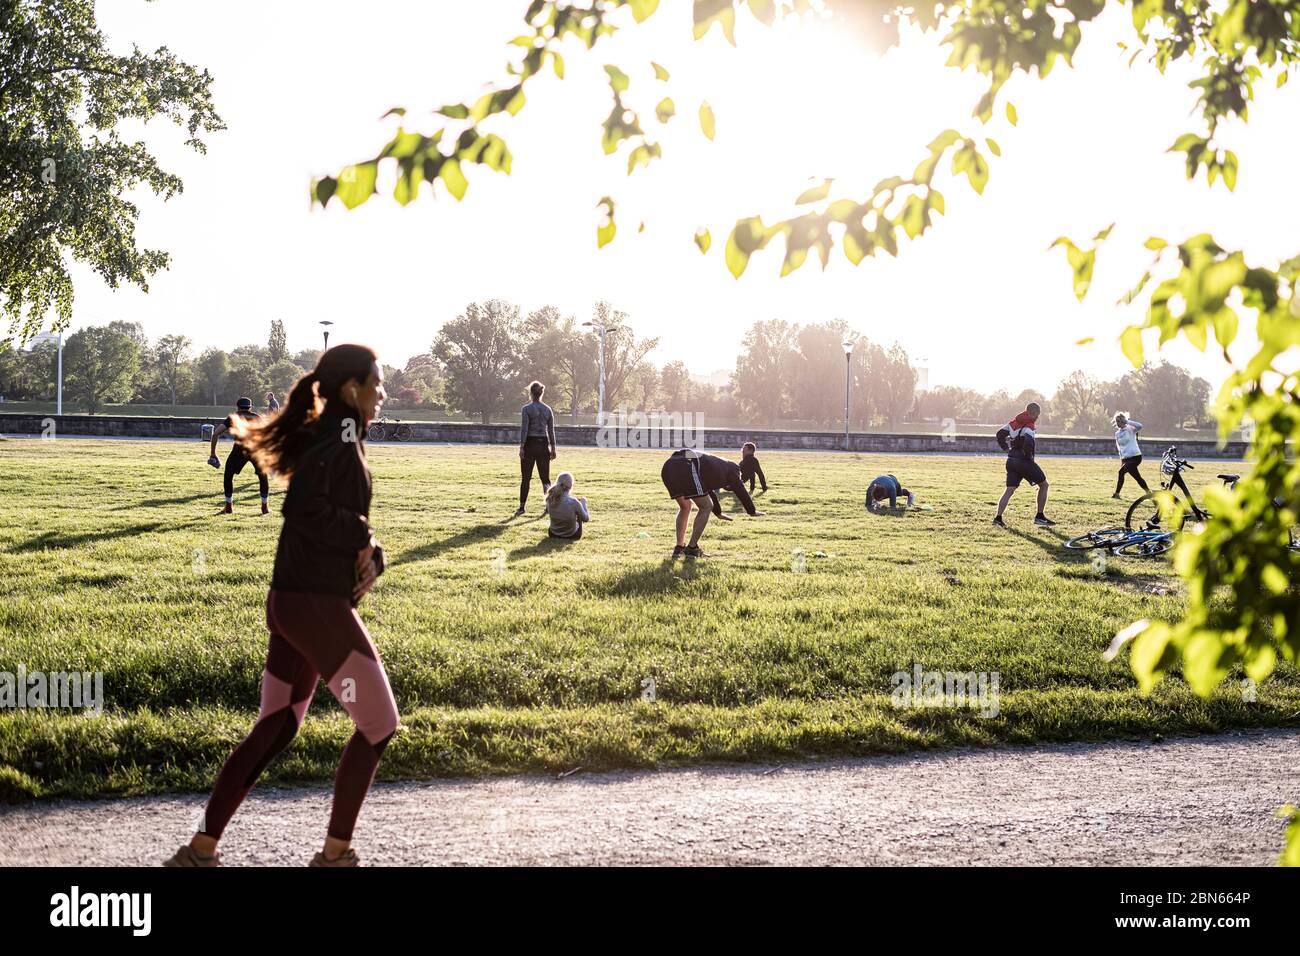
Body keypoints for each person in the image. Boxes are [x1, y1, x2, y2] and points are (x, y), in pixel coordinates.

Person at [165, 344, 398, 868]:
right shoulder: (339, 430)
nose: (383, 393)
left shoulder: (340, 429)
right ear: (350, 389)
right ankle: (335, 856)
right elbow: (305, 505)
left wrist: (368, 545)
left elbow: (325, 510)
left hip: (293, 603)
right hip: (314, 606)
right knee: (379, 725)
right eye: (376, 382)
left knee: (278, 725)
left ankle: (200, 850)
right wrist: (364, 537)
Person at [660, 448, 764, 557]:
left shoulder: (716, 466)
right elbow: (740, 488)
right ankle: (692, 548)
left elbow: (708, 491)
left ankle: (679, 547)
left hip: (668, 466)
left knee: (686, 506)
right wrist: (752, 511)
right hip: (686, 464)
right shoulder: (733, 469)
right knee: (706, 506)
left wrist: (718, 513)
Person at [993, 401, 1055, 527]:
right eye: (1037, 414)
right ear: (1033, 413)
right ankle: (1040, 516)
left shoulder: (1013, 422)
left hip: (1011, 460)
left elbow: (1000, 434)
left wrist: (1006, 448)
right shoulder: (1030, 425)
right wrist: (1029, 457)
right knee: (1044, 485)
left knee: (1009, 490)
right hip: (1023, 461)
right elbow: (1028, 442)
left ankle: (998, 518)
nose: (1038, 417)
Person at [208, 397, 270, 515]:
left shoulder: (233, 417)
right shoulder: (257, 417)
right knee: (263, 477)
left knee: (228, 475)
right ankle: (264, 507)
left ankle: (228, 506)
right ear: (250, 407)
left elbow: (216, 433)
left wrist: (213, 453)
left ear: (237, 407)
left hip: (239, 450)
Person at [516, 380, 556, 516]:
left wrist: (522, 447)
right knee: (545, 478)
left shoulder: (526, 409)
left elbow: (525, 429)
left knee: (526, 478)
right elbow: (551, 431)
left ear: (531, 393)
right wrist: (553, 448)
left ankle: (522, 507)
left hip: (530, 444)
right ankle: (548, 506)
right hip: (543, 444)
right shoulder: (547, 410)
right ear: (541, 393)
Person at [1111, 412, 1149, 499]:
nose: (1118, 423)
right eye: (1116, 421)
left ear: (1123, 421)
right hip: (1126, 459)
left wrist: (1127, 421)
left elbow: (1140, 426)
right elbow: (1119, 448)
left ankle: (1117, 494)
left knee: (1121, 472)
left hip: (1136, 457)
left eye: (1119, 421)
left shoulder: (1131, 429)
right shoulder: (1117, 433)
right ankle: (1148, 492)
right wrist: (1122, 460)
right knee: (1137, 477)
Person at [544, 472, 589, 540]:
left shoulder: (550, 499)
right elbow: (586, 519)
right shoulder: (574, 502)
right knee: (578, 509)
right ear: (571, 486)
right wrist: (583, 503)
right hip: (572, 535)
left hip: (553, 534)